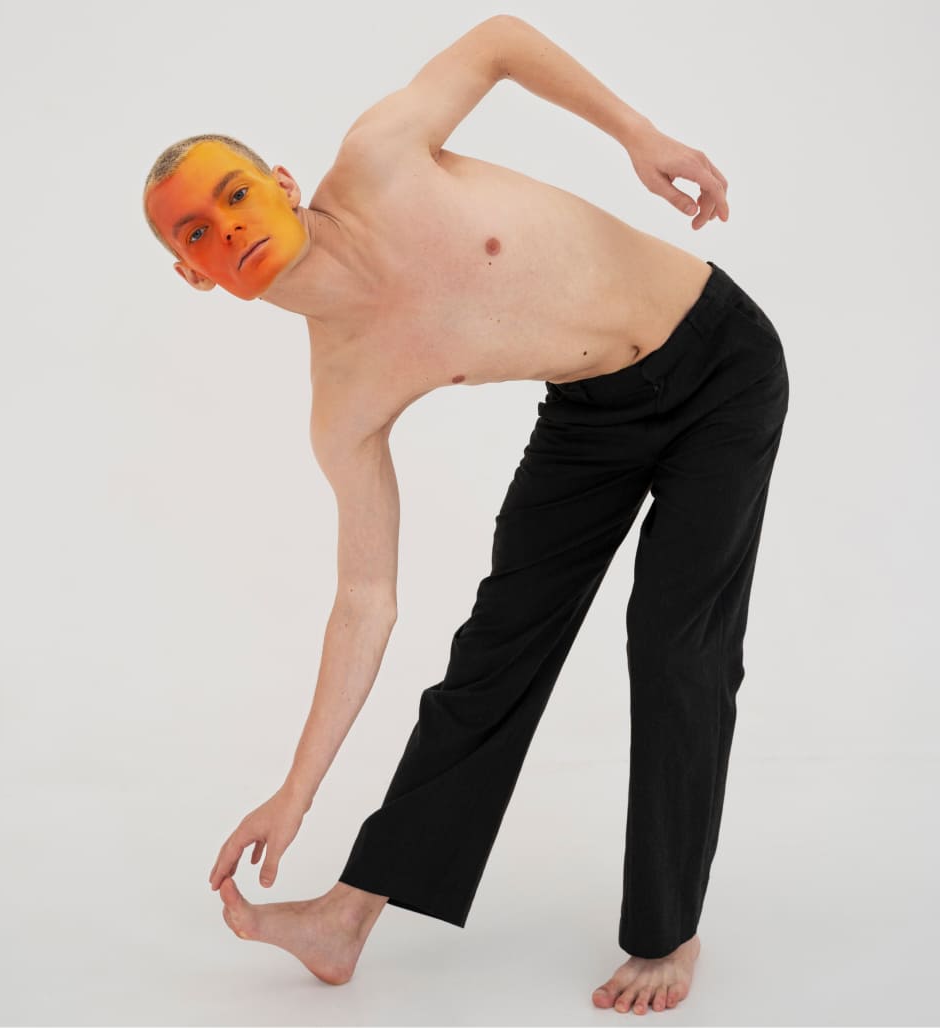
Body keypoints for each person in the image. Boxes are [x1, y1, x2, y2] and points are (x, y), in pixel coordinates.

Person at [143, 14, 787, 1015]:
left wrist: (640, 135)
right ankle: (345, 915)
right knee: (493, 652)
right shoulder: (343, 400)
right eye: (196, 233)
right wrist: (295, 790)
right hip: (590, 417)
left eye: (233, 194)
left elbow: (497, 40)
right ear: (196, 275)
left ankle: (668, 931)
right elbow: (365, 601)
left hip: (719, 360)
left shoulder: (381, 158)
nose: (225, 227)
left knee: (674, 643)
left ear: (281, 181)